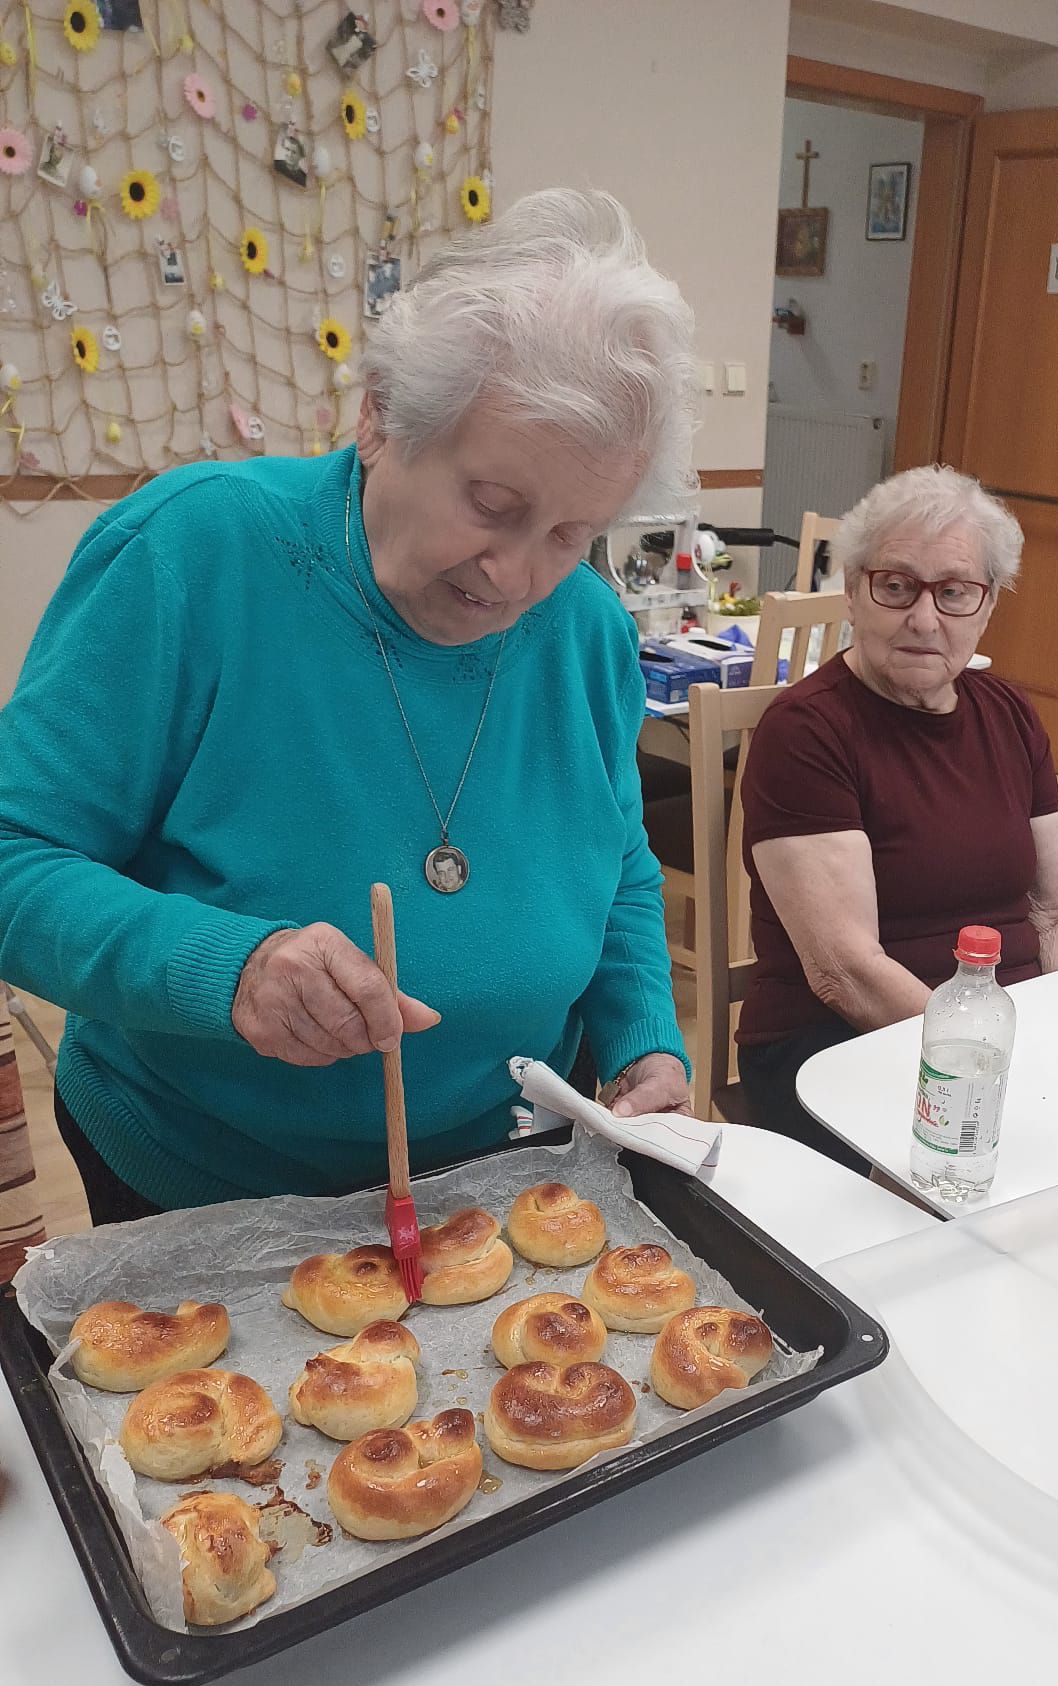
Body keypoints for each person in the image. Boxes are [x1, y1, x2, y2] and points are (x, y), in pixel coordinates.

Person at [0, 189, 696, 1222]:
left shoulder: (587, 629)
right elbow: (17, 856)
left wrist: (643, 1031)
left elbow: (619, 865)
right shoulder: (196, 555)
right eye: (493, 509)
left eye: (570, 533)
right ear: (377, 415)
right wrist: (229, 968)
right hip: (203, 1176)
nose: (517, 578)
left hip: (495, 1173)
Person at [736, 464, 1058, 1166]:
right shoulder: (808, 731)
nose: (925, 618)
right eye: (897, 585)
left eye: (955, 591)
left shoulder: (1009, 715)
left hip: (1008, 1044)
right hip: (846, 1049)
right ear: (852, 590)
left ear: (988, 604)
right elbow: (845, 971)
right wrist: (983, 1068)